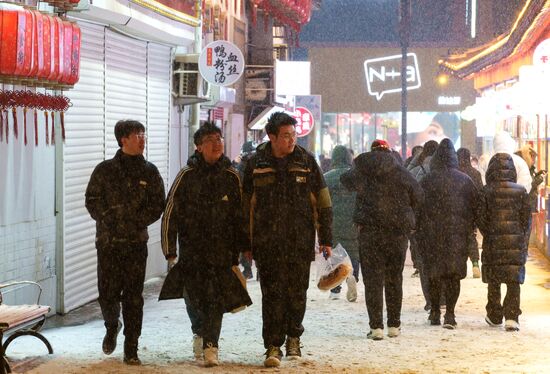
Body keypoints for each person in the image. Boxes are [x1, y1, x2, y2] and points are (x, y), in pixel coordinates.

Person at [242, 112, 333, 367]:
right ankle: (273, 344)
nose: (291, 140)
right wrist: (245, 243)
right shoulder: (255, 164)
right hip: (266, 242)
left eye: (294, 135)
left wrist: (325, 238)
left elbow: (324, 202)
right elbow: (244, 206)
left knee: (297, 292)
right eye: (285, 136)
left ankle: (293, 336)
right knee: (271, 294)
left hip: (299, 241)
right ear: (271, 136)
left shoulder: (306, 162)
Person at [158, 122, 252, 367]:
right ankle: (199, 331)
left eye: (219, 138)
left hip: (222, 253)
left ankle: (211, 344)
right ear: (198, 147)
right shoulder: (186, 176)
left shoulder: (231, 176)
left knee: (214, 299)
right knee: (194, 298)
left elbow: (240, 215)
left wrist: (244, 247)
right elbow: (170, 213)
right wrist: (170, 251)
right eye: (210, 139)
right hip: (192, 251)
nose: (217, 143)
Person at [85, 120, 166, 365]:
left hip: (135, 244)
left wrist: (136, 221)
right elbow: (92, 199)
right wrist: (110, 218)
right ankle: (112, 326)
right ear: (123, 139)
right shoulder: (105, 170)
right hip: (108, 243)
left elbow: (157, 204)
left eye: (143, 134)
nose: (142, 139)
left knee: (133, 296)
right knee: (107, 293)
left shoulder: (149, 172)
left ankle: (132, 346)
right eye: (136, 134)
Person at [341, 139, 424, 340]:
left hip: (369, 232)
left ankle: (376, 326)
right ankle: (394, 325)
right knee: (395, 278)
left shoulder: (362, 169)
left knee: (373, 279)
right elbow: (419, 196)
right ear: (390, 152)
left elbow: (345, 180)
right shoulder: (402, 172)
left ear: (372, 152)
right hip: (397, 233)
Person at [417, 139, 478, 329]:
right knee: (453, 276)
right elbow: (474, 208)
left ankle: (435, 312)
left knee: (434, 275)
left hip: (431, 236)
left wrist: (419, 230)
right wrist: (469, 228)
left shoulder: (426, 180)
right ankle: (450, 314)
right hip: (456, 236)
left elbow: (417, 208)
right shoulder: (465, 180)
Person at [477, 153, 531, 332]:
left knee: (494, 279)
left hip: (493, 242)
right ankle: (512, 316)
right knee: (513, 280)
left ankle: (494, 314)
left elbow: (481, 218)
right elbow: (526, 221)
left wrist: (490, 233)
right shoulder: (521, 191)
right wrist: (520, 238)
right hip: (515, 243)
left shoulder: (486, 191)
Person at [324, 145, 359, 302]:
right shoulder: (357, 177)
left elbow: (322, 203)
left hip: (334, 222)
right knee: (354, 253)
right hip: (353, 221)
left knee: (335, 254)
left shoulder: (327, 177)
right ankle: (353, 277)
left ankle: (335, 288)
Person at [457, 147, 484, 279]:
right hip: (471, 211)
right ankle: (475, 263)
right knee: (470, 236)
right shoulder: (475, 173)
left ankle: (459, 264)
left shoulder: (455, 173)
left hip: (457, 212)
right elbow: (480, 193)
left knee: (457, 238)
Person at [234, 140, 258, 279]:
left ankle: (249, 269)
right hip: (251, 209)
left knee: (247, 240)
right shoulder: (251, 166)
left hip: (247, 209)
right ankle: (255, 270)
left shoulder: (241, 167)